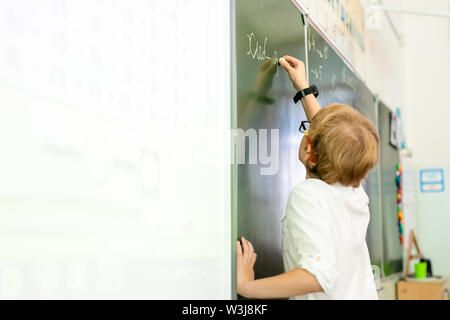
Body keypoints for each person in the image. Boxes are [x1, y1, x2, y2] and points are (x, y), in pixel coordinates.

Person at [236, 55, 380, 300]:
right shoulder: (353, 190)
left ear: (310, 150)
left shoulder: (309, 195)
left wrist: (246, 286)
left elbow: (318, 275)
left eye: (307, 129)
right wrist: (303, 88)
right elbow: (331, 138)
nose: (308, 128)